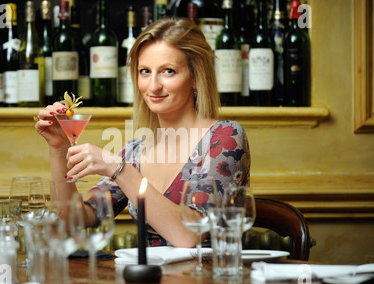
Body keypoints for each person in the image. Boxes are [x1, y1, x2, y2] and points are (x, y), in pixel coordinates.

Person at [34, 17, 251, 248]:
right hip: (149, 282)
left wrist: (119, 169)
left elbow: (189, 236)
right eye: (145, 71)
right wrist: (59, 148)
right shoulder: (135, 152)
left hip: (211, 281)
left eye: (168, 71)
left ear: (196, 77)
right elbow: (73, 220)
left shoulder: (225, 137)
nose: (153, 86)